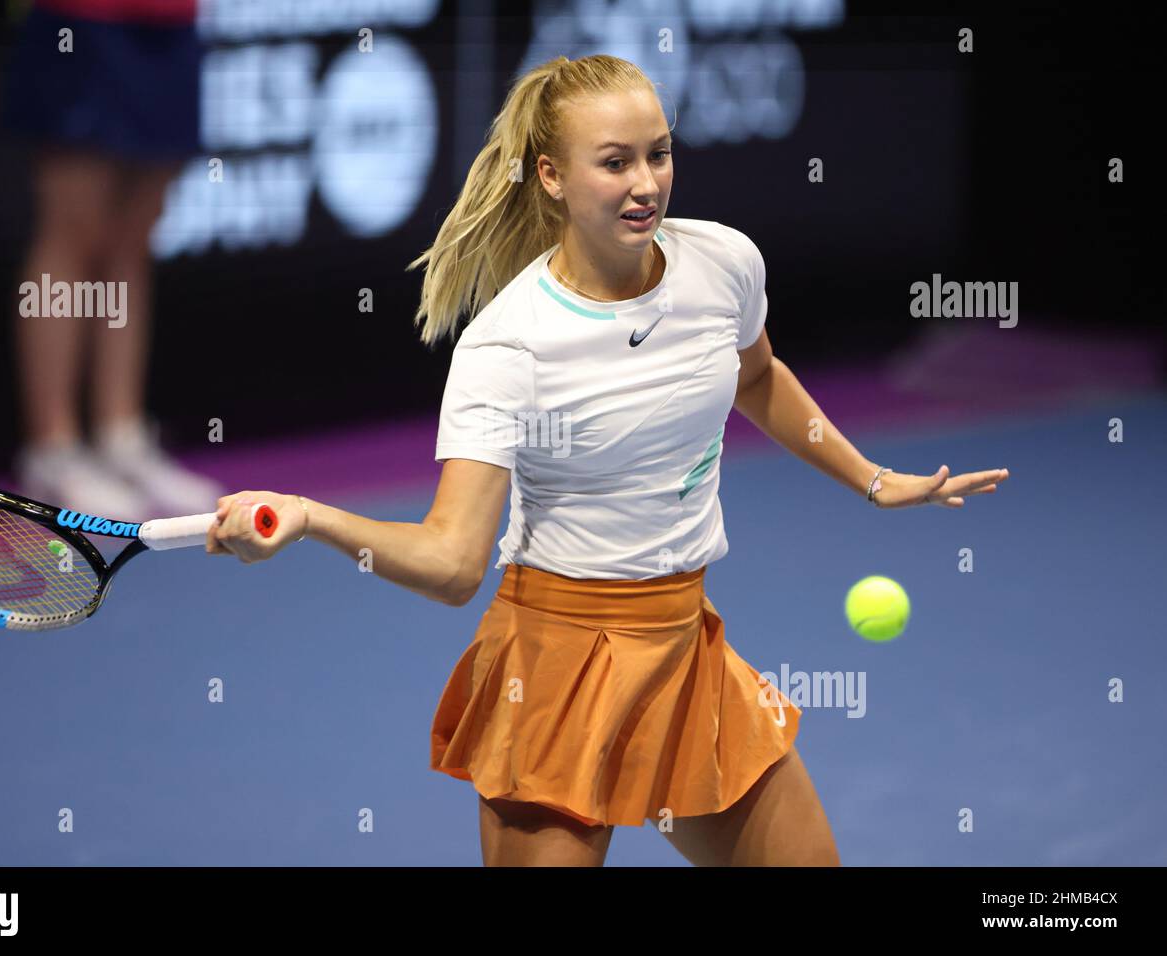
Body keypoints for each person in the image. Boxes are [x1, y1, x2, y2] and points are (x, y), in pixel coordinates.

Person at [204, 54, 1009, 866]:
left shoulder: (723, 264)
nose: (646, 184)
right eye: (615, 162)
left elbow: (757, 376)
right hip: (552, 673)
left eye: (658, 154)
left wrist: (870, 479)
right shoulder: (508, 344)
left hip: (685, 649)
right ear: (551, 176)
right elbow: (452, 565)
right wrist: (309, 516)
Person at [4, 0, 221, 520]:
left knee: (132, 243)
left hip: (172, 22)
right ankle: (53, 447)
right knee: (71, 236)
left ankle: (120, 437)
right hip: (84, 21)